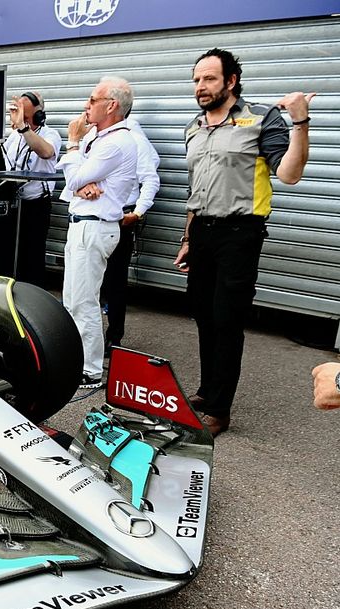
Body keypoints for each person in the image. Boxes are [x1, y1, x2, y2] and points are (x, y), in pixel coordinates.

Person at [174, 48, 313, 437]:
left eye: (209, 79)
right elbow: (195, 189)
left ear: (231, 81)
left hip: (240, 233)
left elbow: (289, 174)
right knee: (203, 314)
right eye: (197, 80)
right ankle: (207, 391)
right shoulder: (194, 127)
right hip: (202, 231)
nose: (200, 87)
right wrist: (187, 237)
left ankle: (219, 411)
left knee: (226, 319)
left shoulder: (261, 118)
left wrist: (300, 122)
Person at [58, 76, 138, 390]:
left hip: (94, 227)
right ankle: (76, 360)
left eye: (93, 100)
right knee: (72, 299)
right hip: (83, 225)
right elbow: (72, 182)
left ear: (111, 105)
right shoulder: (100, 139)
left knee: (84, 302)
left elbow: (73, 177)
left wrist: (73, 143)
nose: (86, 105)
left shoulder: (116, 142)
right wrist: (79, 184)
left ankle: (89, 370)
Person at [101, 113, 161, 354]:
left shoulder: (134, 139)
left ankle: (114, 337)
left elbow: (150, 179)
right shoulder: (95, 137)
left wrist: (137, 212)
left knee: (115, 280)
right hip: (92, 216)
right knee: (88, 281)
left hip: (120, 217)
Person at [1, 91, 62, 287]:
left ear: (39, 115)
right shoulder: (15, 137)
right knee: (12, 255)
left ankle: (33, 292)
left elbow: (46, 152)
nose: (21, 120)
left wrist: (23, 128)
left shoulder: (50, 135)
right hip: (15, 204)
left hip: (36, 204)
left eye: (26, 116)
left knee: (33, 256)